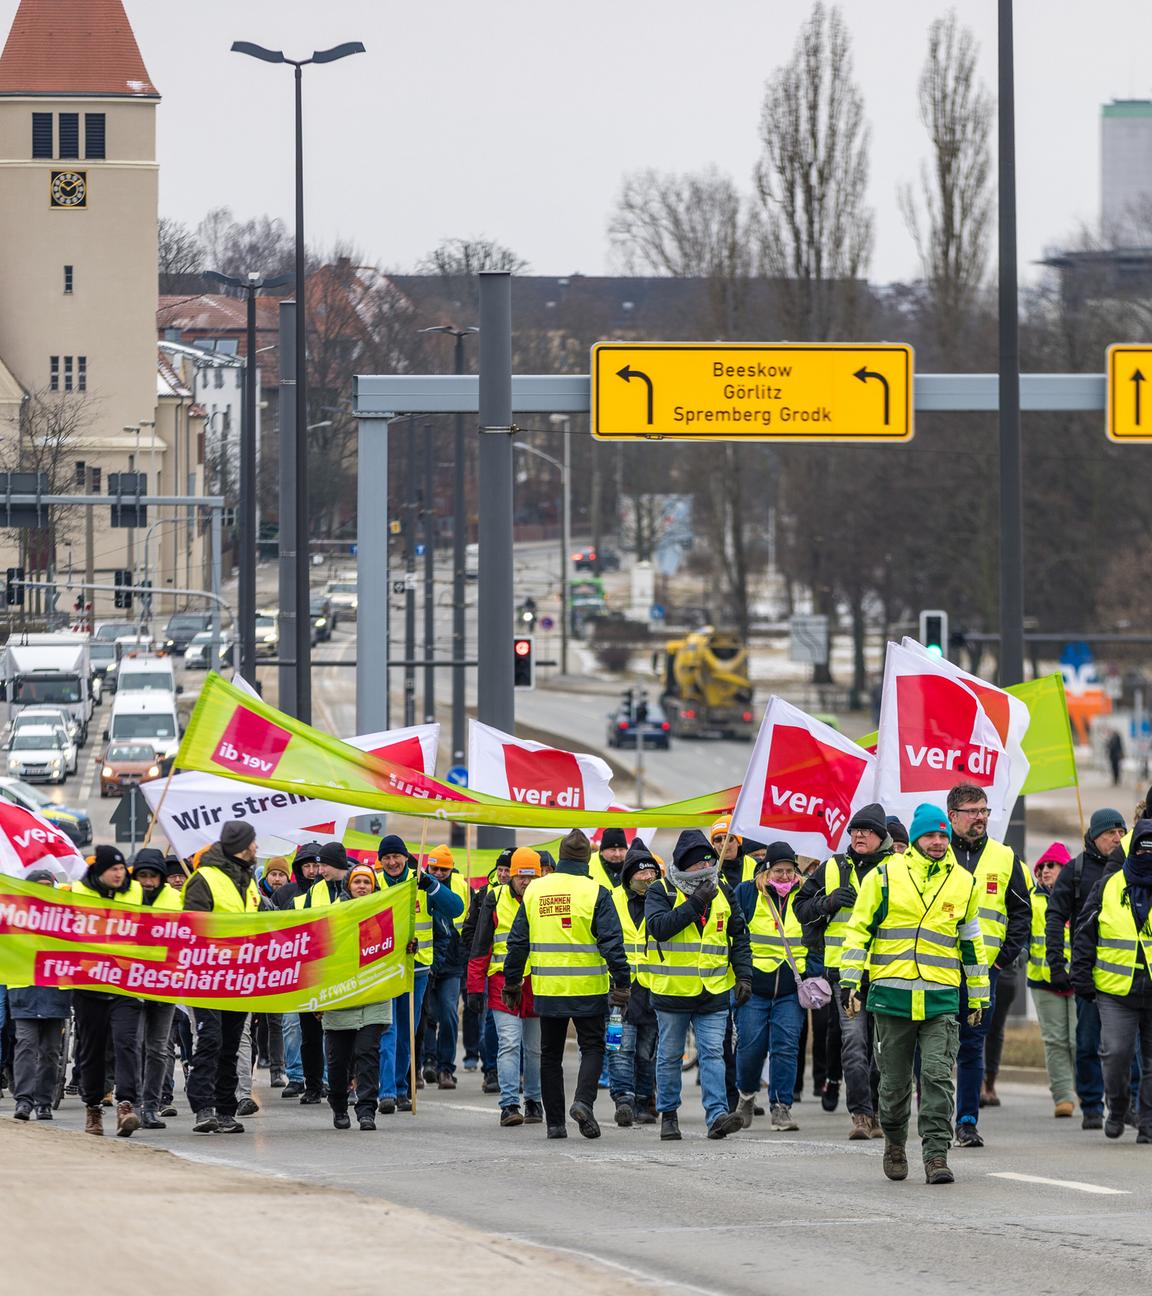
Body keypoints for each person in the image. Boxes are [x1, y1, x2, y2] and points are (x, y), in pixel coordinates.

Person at [840, 803, 990, 1185]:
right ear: (917, 837)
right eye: (929, 835)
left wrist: (978, 997)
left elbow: (972, 944)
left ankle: (936, 1155)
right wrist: (850, 981)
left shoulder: (963, 882)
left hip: (940, 999)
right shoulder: (885, 877)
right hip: (892, 997)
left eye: (942, 835)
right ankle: (893, 1142)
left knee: (938, 1077)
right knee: (893, 1085)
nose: (938, 842)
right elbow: (858, 932)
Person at [502, 829, 630, 1140]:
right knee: (593, 1047)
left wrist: (512, 982)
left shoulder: (535, 891)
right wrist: (623, 982)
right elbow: (612, 942)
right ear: (588, 859)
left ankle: (555, 1124)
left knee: (550, 1055)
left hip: (548, 990)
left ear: (560, 858)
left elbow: (518, 941)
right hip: (588, 988)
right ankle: (583, 1102)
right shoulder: (597, 892)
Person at [645, 829, 752, 1142]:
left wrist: (744, 975)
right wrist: (695, 903)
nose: (705, 867)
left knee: (713, 1054)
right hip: (672, 992)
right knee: (669, 1056)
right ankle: (668, 1114)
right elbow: (659, 928)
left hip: (714, 991)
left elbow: (739, 935)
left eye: (709, 861)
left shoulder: (724, 890)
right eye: (698, 864)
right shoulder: (660, 890)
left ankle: (717, 1115)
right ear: (683, 865)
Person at [795, 802, 893, 1138]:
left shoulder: (899, 868)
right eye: (854, 830)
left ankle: (880, 1109)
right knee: (853, 1044)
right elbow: (801, 908)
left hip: (887, 972)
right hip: (844, 974)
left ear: (881, 836)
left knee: (884, 1048)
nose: (859, 835)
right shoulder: (832, 867)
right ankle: (861, 1115)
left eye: (866, 831)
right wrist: (829, 901)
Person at [945, 783, 1032, 1149]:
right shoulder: (935, 852)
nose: (981, 817)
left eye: (984, 810)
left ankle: (966, 1121)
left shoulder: (1004, 857)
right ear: (953, 816)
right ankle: (930, 1114)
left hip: (984, 974)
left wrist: (1001, 961)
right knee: (929, 1045)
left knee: (971, 1044)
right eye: (972, 811)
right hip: (935, 971)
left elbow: (1021, 914)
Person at [1045, 806, 1127, 1130]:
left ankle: (1125, 1103)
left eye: (1121, 832)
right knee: (1087, 1041)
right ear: (1094, 836)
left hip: (1125, 974)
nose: (1117, 838)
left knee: (1126, 1046)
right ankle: (1092, 1104)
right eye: (1110, 833)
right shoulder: (1075, 871)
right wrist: (1056, 962)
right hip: (1088, 973)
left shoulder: (1132, 868)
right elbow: (1055, 916)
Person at [1071, 818, 1152, 1142]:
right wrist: (1081, 977)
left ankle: (1147, 1120)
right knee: (1116, 1054)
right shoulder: (1109, 886)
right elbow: (1084, 932)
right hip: (1115, 992)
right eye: (1143, 850)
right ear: (1132, 852)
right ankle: (1117, 1106)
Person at [375, 834, 464, 1112]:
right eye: (386, 857)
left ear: (405, 857)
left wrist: (432, 886)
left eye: (396, 856)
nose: (392, 862)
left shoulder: (421, 880)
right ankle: (387, 1091)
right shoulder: (374, 882)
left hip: (418, 970)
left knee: (407, 1032)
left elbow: (456, 908)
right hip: (384, 970)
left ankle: (402, 1088)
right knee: (387, 1029)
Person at [183, 820, 260, 1135]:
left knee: (230, 1044)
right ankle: (203, 1107)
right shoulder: (204, 880)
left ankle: (226, 1109)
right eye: (253, 842)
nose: (257, 848)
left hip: (239, 978)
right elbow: (193, 927)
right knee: (211, 1039)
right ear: (242, 846)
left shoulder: (249, 881)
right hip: (207, 976)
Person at [733, 842, 811, 1131]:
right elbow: (737, 937)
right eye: (778, 870)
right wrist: (742, 975)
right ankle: (746, 1095)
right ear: (766, 870)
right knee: (751, 1047)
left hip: (792, 988)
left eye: (789, 870)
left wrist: (813, 973)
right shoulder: (747, 893)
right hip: (755, 987)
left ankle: (781, 1107)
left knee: (786, 1047)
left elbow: (814, 937)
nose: (784, 876)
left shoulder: (805, 894)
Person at [467, 847, 544, 1126]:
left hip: (537, 983)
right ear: (511, 876)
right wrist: (474, 987)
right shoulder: (494, 898)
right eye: (521, 877)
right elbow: (481, 945)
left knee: (535, 1048)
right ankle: (510, 1104)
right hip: (502, 981)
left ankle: (534, 1101)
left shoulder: (544, 899)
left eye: (531, 877)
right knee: (509, 1044)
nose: (526, 882)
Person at [70, 846, 144, 1136]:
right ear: (99, 871)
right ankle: (93, 1109)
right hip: (89, 984)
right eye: (112, 868)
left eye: (121, 867)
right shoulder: (77, 891)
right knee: (92, 1050)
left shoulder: (135, 891)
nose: (118, 873)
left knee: (126, 1043)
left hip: (125, 982)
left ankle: (126, 1105)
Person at [321, 864, 392, 1131]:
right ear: (348, 886)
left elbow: (396, 943)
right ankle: (339, 1105)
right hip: (341, 997)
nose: (362, 886)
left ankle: (366, 1110)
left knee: (367, 1054)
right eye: (357, 881)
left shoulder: (386, 913)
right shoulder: (334, 915)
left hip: (374, 996)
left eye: (367, 882)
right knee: (338, 1061)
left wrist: (408, 946)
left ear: (374, 887)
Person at [9, 869, 69, 1122]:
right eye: (39, 885)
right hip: (24, 991)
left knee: (50, 1052)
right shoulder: (15, 917)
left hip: (56, 994)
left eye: (48, 884)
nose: (44, 888)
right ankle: (24, 1101)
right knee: (25, 1047)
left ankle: (44, 1102)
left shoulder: (64, 917)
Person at [608, 841, 660, 1127]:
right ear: (629, 875)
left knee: (646, 1052)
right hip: (620, 989)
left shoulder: (662, 900)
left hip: (653, 988)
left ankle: (643, 1101)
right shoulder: (611, 899)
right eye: (641, 874)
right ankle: (623, 1100)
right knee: (620, 1048)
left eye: (652, 873)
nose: (647, 878)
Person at [130, 849, 182, 1130]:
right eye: (143, 876)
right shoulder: (126, 898)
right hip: (133, 984)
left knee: (158, 1049)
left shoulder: (175, 899)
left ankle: (152, 1107)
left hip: (164, 984)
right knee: (134, 1047)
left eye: (153, 876)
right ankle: (134, 1105)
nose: (148, 881)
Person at [1027, 842, 1077, 1117]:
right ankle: (1062, 1097)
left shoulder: (1078, 897)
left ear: (1065, 868)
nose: (1045, 870)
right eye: (1042, 867)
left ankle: (1087, 1090)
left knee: (1078, 1040)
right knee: (1056, 1040)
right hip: (1043, 982)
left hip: (1079, 981)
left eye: (1051, 865)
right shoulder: (1032, 899)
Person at [421, 844, 471, 1089]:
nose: (438, 873)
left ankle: (445, 1069)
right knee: (426, 1015)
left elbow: (470, 922)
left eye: (443, 869)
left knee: (449, 1014)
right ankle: (427, 1062)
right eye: (434, 868)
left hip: (452, 962)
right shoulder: (419, 885)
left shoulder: (462, 886)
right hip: (425, 960)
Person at [460, 848, 512, 1084]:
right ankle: (491, 1069)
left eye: (507, 870)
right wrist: (482, 950)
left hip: (521, 970)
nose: (502, 874)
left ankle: (516, 1072)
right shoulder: (484, 895)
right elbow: (470, 931)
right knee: (491, 1021)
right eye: (500, 869)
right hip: (492, 969)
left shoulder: (528, 895)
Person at [272, 841, 324, 910]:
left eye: (315, 866)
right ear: (299, 868)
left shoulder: (334, 891)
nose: (311, 871)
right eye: (306, 866)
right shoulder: (284, 892)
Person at [710, 817, 757, 887]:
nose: (723, 843)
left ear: (738, 842)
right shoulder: (708, 867)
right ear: (713, 843)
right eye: (718, 839)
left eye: (729, 838)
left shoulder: (754, 864)